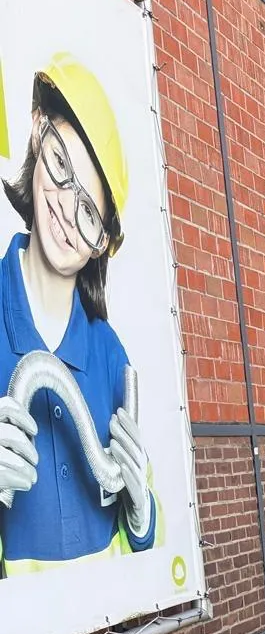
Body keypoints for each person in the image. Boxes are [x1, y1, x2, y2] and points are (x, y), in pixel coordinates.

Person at [0, 57, 156, 575]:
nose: (67, 211)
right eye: (61, 166)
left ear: (102, 244)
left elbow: (139, 531)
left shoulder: (110, 353)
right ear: (36, 131)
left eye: (90, 211)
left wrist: (140, 512)